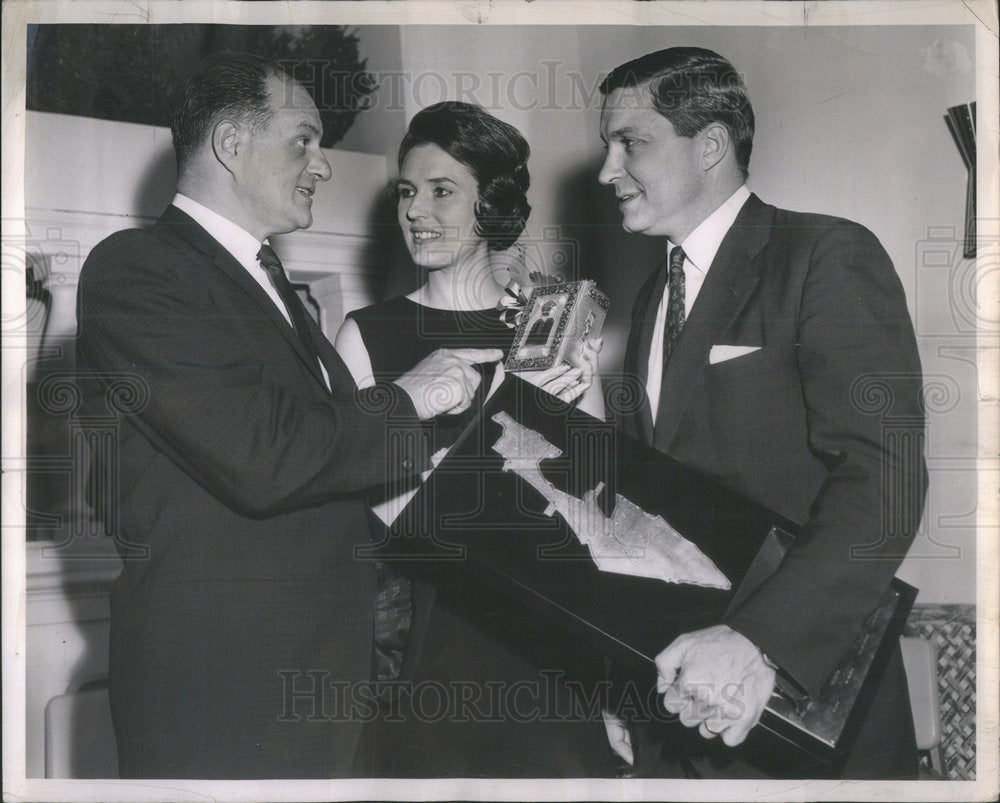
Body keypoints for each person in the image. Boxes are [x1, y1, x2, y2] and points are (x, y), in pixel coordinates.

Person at [75, 54, 501, 779]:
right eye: (303, 139)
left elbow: (332, 462)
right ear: (230, 144)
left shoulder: (268, 282)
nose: (323, 166)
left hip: (323, 686)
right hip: (226, 696)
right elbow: (263, 455)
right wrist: (411, 395)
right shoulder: (139, 268)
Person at [597, 47, 927, 778]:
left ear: (710, 144)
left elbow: (886, 477)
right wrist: (622, 680)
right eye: (606, 148)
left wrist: (759, 641)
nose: (606, 171)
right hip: (676, 708)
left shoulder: (825, 255)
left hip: (799, 708)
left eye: (631, 144)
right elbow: (647, 509)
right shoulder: (653, 296)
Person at [335, 101, 613, 776]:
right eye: (407, 191)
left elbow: (598, 505)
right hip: (431, 646)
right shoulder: (365, 334)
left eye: (441, 191)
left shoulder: (552, 322)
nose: (415, 211)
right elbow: (362, 506)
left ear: (491, 203)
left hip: (548, 649)